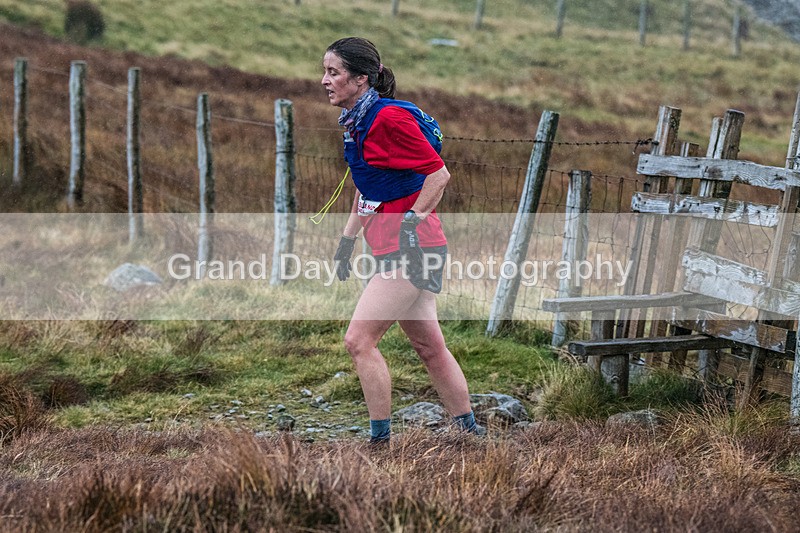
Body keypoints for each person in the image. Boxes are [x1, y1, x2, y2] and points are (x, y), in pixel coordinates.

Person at [321, 37, 483, 444]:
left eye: (334, 72)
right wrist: (347, 241)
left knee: (359, 341)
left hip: (414, 249)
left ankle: (380, 443)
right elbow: (368, 186)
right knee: (430, 348)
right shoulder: (356, 123)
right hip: (392, 246)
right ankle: (471, 435)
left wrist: (411, 222)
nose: (324, 80)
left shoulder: (388, 119)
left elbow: (438, 175)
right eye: (324, 71)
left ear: (361, 78)